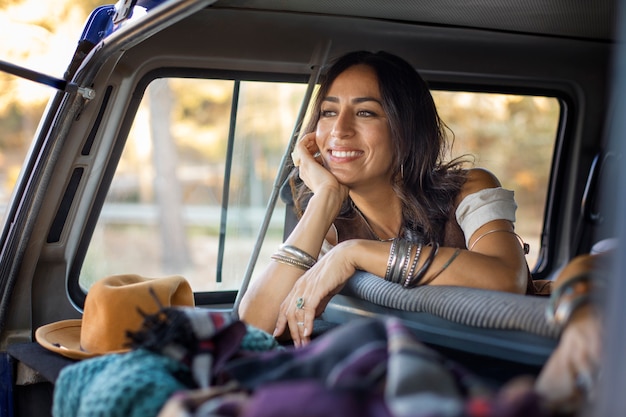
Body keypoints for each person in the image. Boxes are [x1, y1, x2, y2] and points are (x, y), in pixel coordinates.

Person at [238, 50, 531, 346]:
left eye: (365, 112)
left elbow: (506, 280)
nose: (339, 130)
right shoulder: (331, 226)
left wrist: (353, 253)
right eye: (328, 112)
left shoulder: (469, 190)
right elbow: (256, 329)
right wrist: (325, 198)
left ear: (406, 128)